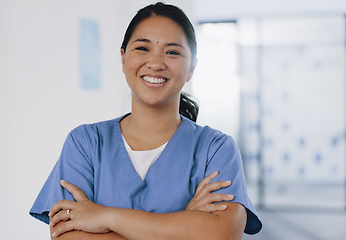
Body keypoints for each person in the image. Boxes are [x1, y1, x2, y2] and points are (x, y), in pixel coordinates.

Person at [30, 2, 262, 239]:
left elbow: (221, 234)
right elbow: (68, 235)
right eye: (143, 48)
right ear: (123, 58)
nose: (155, 63)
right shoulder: (85, 144)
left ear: (192, 67)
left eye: (172, 52)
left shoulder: (216, 148)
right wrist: (184, 224)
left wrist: (107, 217)